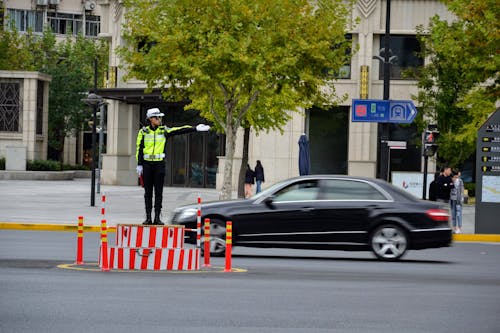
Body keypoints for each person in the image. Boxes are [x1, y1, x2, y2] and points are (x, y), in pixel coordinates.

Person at [136, 108, 210, 225]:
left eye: (160, 117)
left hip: (159, 165)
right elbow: (139, 148)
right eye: (157, 117)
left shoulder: (163, 130)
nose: (159, 119)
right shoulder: (143, 132)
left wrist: (195, 128)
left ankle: (157, 218)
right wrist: (139, 164)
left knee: (159, 192)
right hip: (147, 165)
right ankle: (148, 218)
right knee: (148, 192)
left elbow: (179, 130)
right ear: (150, 119)